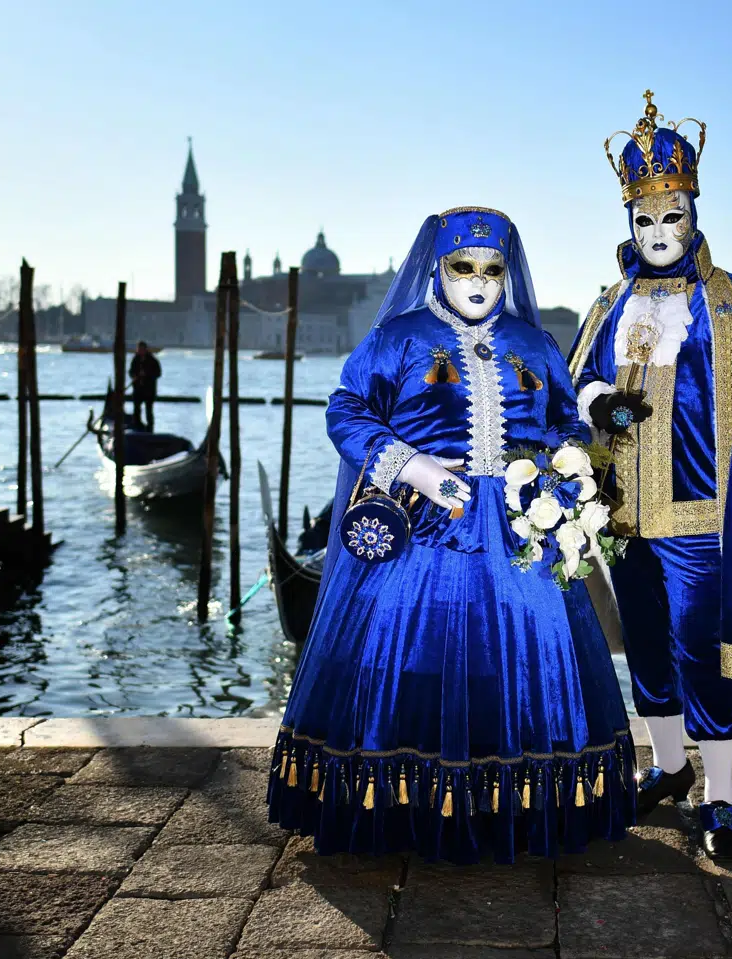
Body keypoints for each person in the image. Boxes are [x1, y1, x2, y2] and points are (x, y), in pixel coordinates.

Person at [267, 207, 635, 864]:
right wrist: (412, 465)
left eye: (492, 269)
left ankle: (516, 806)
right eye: (463, 267)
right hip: (423, 529)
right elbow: (347, 410)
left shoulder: (534, 343)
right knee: (419, 651)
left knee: (523, 656)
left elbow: (564, 422)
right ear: (437, 267)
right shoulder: (399, 339)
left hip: (522, 529)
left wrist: (559, 470)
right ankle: (406, 806)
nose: (479, 281)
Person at [569, 92, 732, 861]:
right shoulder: (610, 301)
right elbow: (580, 382)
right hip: (625, 515)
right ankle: (667, 767)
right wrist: (600, 400)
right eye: (645, 219)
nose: (658, 232)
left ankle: (722, 792)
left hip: (701, 514)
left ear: (693, 211)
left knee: (703, 648)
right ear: (629, 221)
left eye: (671, 216)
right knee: (643, 643)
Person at [129, 341, 161, 431]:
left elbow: (158, 373)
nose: (140, 351)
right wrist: (135, 375)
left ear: (145, 349)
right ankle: (137, 426)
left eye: (142, 349)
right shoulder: (135, 359)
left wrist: (147, 374)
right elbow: (131, 372)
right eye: (139, 349)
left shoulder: (153, 360)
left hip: (149, 390)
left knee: (149, 410)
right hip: (138, 389)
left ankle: (150, 428)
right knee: (136, 409)